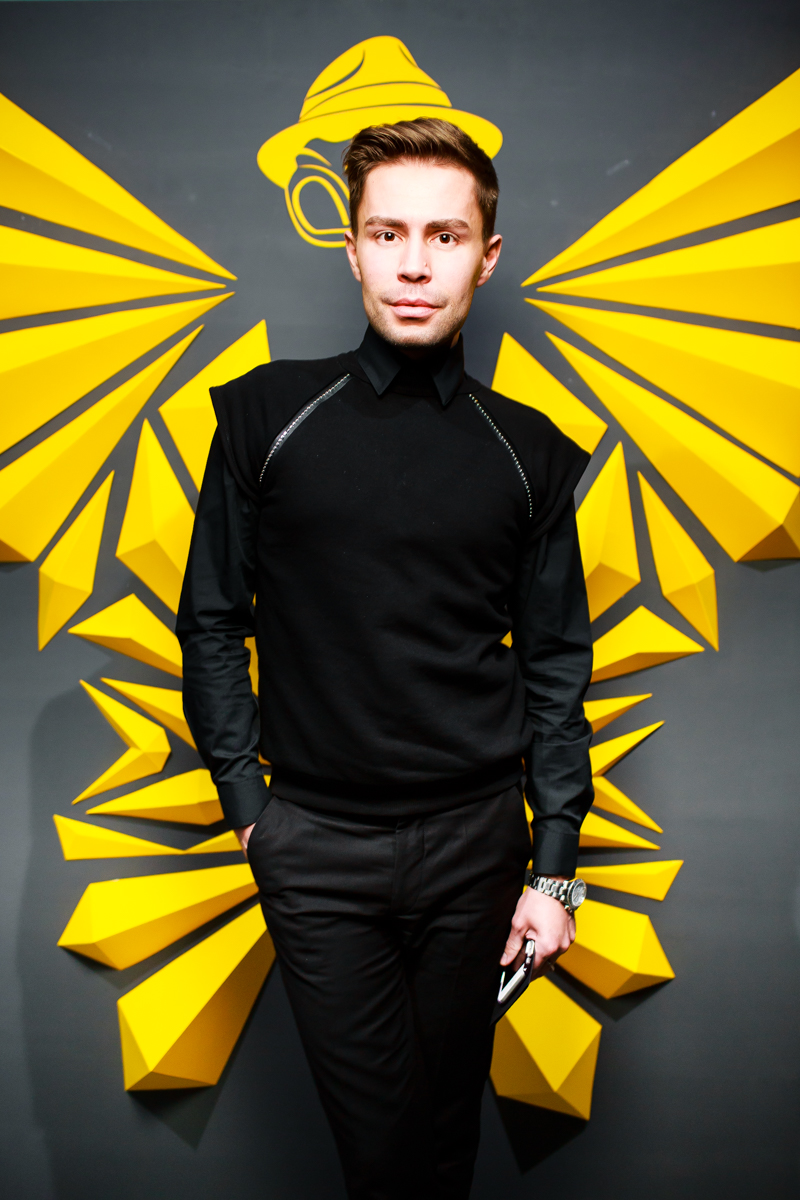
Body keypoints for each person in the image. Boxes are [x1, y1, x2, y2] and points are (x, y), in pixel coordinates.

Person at [177, 117, 594, 1200]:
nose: (414, 265)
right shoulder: (264, 416)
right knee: (385, 1156)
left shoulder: (530, 452)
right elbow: (212, 619)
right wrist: (248, 810)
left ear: (485, 258)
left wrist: (553, 867)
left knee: (445, 1143)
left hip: (476, 845)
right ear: (352, 248)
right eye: (387, 233)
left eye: (443, 237)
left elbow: (556, 663)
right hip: (315, 848)